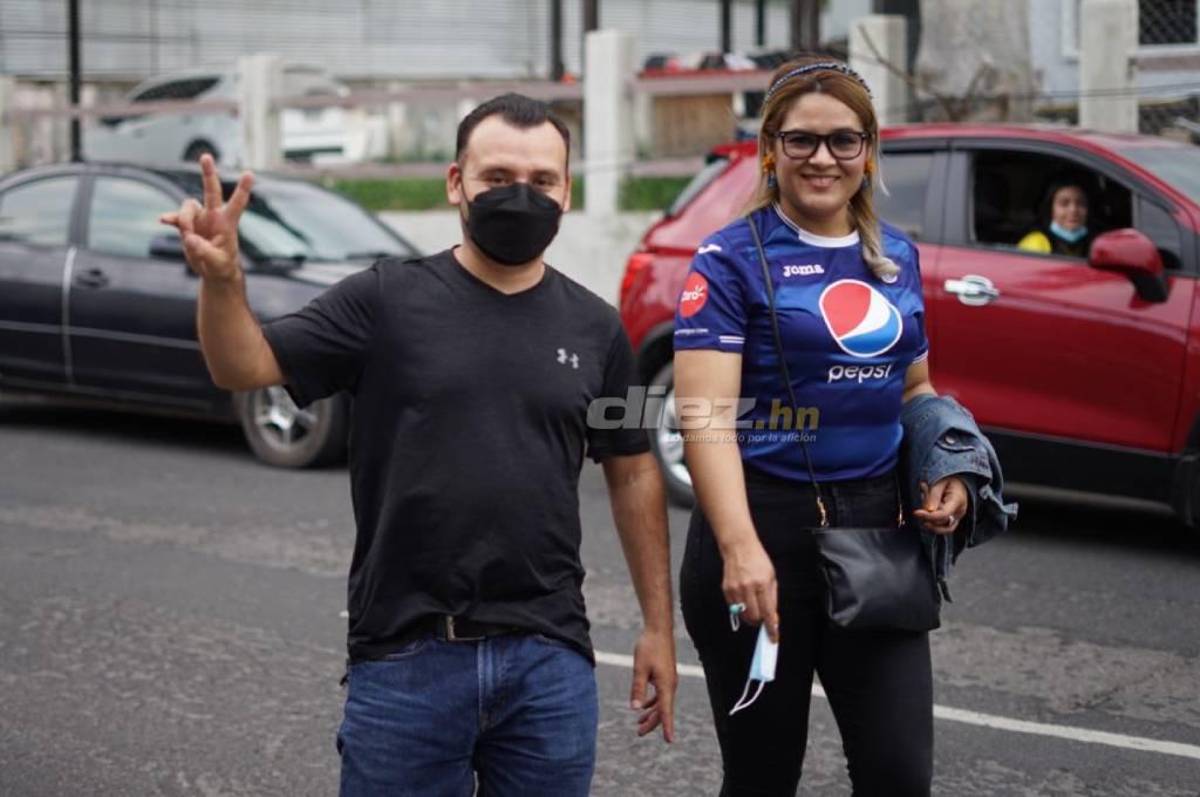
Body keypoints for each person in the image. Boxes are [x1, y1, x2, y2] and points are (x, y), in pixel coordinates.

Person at [160, 93, 677, 796]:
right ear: (455, 181)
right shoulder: (382, 299)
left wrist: (658, 625)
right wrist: (223, 282)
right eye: (497, 177)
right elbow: (241, 365)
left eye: (542, 181)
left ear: (567, 191)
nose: (520, 196)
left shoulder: (601, 328)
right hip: (408, 658)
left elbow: (636, 467)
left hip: (550, 660)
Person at [673, 56, 969, 796]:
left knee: (899, 775)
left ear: (869, 151)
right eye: (801, 140)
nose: (823, 158)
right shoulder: (729, 259)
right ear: (770, 149)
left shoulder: (895, 256)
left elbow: (918, 384)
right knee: (764, 776)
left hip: (875, 532)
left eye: (844, 139)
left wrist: (947, 464)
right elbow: (705, 416)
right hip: (758, 534)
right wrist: (741, 548)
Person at [1017, 178, 1092, 256]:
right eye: (1064, 204)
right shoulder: (1035, 243)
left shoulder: (1094, 242)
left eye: (1080, 203)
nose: (1073, 210)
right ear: (1050, 209)